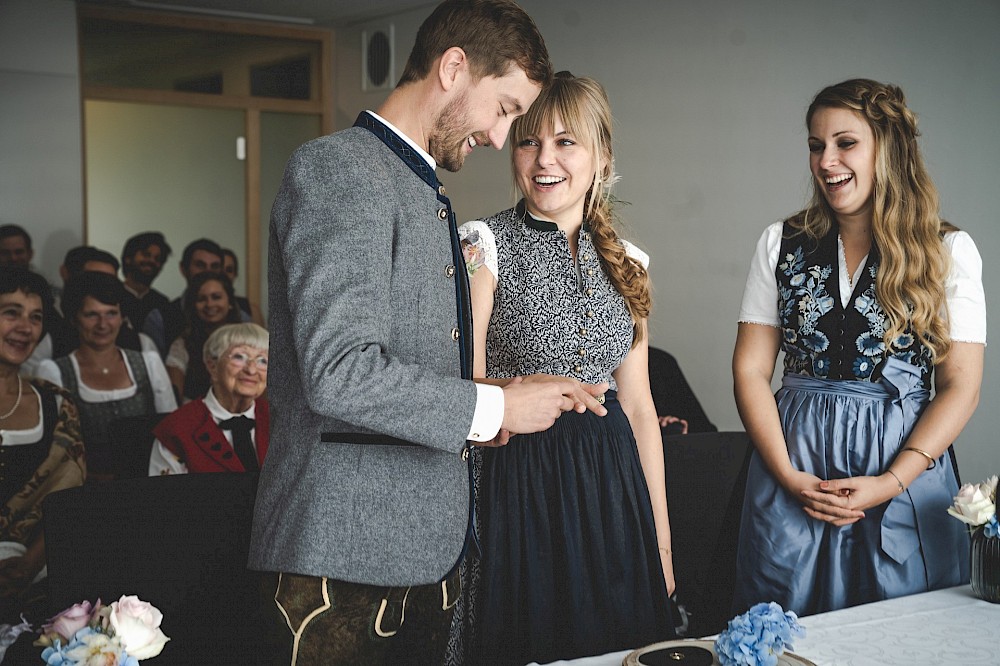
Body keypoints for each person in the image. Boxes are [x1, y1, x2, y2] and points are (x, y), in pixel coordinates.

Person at [248, 2, 609, 663]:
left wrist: (510, 393)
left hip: (420, 554)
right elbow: (340, 373)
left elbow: (405, 364)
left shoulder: (420, 189)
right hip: (342, 556)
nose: (502, 139)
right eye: (503, 109)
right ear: (453, 68)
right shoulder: (341, 169)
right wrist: (495, 406)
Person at [732, 78, 986, 616]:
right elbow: (751, 369)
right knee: (782, 623)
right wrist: (788, 475)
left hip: (900, 470)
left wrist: (891, 482)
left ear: (886, 149)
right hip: (794, 467)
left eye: (845, 143)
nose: (827, 161)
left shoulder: (947, 251)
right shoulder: (781, 242)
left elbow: (961, 386)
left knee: (899, 627)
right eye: (816, 145)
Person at [457, 72, 676, 664]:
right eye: (528, 141)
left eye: (564, 142)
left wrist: (659, 533)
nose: (543, 160)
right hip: (519, 483)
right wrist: (515, 390)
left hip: (612, 487)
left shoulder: (630, 262)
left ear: (601, 153)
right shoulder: (482, 244)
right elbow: (460, 383)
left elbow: (638, 408)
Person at [0, 269, 85, 622]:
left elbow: (68, 500)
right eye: (11, 313)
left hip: (36, 573)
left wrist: (27, 564)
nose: (25, 327)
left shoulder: (56, 404)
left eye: (36, 317)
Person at [35, 271, 175, 482]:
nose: (103, 324)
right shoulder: (55, 372)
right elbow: (55, 449)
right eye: (92, 314)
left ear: (121, 317)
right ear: (74, 319)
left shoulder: (149, 364)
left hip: (146, 488)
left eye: (111, 313)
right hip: (86, 490)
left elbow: (172, 433)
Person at [149, 323, 268, 475]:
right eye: (239, 357)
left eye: (262, 360)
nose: (251, 370)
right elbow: (166, 497)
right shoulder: (176, 430)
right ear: (212, 366)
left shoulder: (283, 423)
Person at [165, 272, 243, 403]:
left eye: (216, 297)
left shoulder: (248, 341)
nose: (209, 304)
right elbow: (173, 398)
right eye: (201, 299)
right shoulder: (182, 345)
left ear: (230, 303)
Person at [143, 238, 225, 356]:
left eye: (215, 266)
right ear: (183, 269)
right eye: (200, 265)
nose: (208, 272)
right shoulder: (159, 318)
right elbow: (154, 368)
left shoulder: (240, 316)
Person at [120, 231, 172, 332]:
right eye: (146, 255)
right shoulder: (113, 296)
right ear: (128, 258)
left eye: (158, 259)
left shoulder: (163, 304)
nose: (152, 261)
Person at [220, 247, 257, 323]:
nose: (223, 274)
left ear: (235, 274)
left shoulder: (251, 310)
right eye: (220, 268)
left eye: (229, 270)